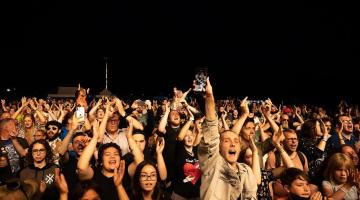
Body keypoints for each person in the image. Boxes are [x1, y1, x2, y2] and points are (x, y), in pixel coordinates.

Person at [198, 77, 257, 200]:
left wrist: (245, 114)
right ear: (218, 147)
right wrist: (209, 97)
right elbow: (211, 132)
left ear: (240, 147)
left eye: (236, 142)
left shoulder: (245, 170)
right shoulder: (213, 164)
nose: (232, 144)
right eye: (226, 141)